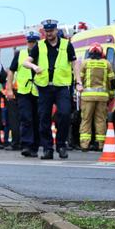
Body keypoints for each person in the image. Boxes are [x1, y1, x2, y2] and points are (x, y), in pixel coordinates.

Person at [23, 19, 82, 160]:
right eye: (46, 31)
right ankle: (48, 149)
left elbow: (75, 63)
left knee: (64, 114)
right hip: (44, 87)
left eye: (51, 31)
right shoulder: (40, 45)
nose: (49, 33)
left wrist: (78, 82)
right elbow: (26, 62)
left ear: (56, 30)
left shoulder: (67, 45)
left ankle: (61, 145)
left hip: (62, 86)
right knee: (44, 118)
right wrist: (34, 67)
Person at [7, 31, 40, 157]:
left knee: (37, 119)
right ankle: (26, 145)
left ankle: (35, 147)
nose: (31, 44)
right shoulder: (20, 54)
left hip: (38, 92)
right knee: (26, 118)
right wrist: (9, 89)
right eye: (30, 42)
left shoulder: (43, 54)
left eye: (34, 42)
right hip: (24, 91)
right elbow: (11, 71)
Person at [79, 43, 115, 151]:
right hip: (102, 98)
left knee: (86, 120)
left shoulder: (85, 63)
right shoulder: (107, 64)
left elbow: (79, 80)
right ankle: (100, 144)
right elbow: (112, 81)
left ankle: (85, 145)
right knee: (100, 120)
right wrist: (112, 95)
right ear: (101, 53)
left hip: (87, 97)